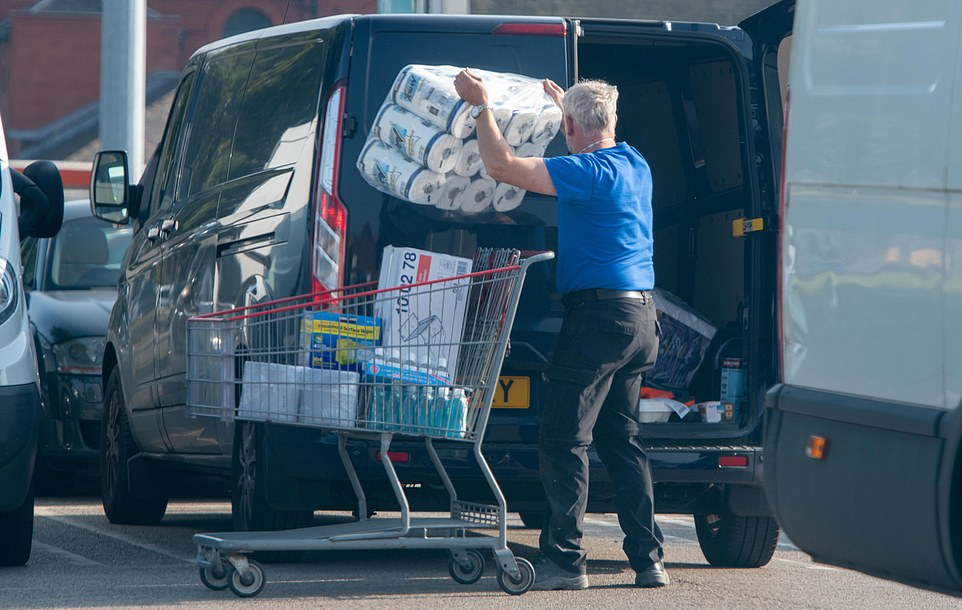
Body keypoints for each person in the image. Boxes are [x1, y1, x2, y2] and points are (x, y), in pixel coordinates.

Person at [454, 69, 667, 590]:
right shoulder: (635, 163)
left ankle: (565, 560)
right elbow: (589, 142)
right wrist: (563, 108)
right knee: (622, 440)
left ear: (571, 125)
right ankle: (648, 560)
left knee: (564, 438)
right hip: (642, 319)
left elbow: (501, 166)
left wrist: (482, 106)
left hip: (598, 321)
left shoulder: (585, 173)